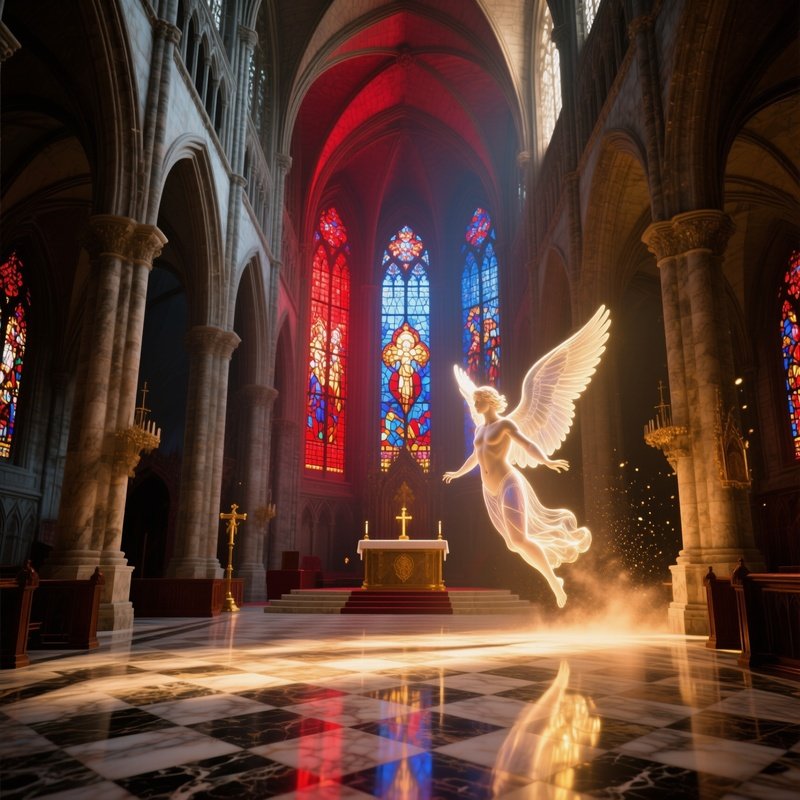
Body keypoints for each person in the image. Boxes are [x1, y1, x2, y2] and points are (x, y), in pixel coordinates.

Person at [444, 305, 610, 607]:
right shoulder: (479, 429)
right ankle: (554, 578)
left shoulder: (507, 423)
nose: (475, 404)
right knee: (512, 543)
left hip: (508, 483)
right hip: (488, 491)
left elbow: (527, 443)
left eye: (478, 400)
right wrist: (457, 472)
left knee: (520, 540)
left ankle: (554, 583)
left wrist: (546, 460)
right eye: (474, 400)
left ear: (488, 401)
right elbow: (476, 457)